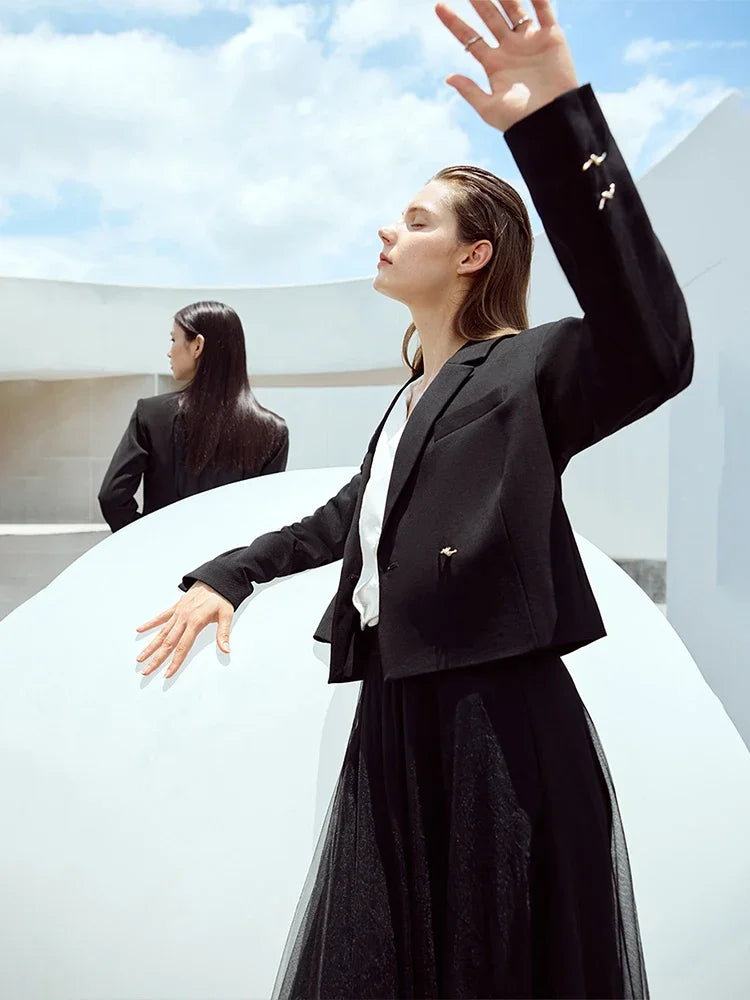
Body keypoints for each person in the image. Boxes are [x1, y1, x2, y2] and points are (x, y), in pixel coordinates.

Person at [136, 1, 693, 995]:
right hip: (397, 720)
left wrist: (560, 120)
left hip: (498, 732)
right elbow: (349, 516)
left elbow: (654, 346)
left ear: (474, 255)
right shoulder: (410, 401)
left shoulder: (526, 373)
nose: (390, 230)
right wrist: (229, 573)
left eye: (420, 219)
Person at [98, 300, 289, 532]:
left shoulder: (151, 415)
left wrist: (145, 540)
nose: (169, 352)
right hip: (233, 566)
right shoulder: (274, 431)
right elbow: (263, 516)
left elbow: (112, 498)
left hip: (162, 562)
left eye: (173, 339)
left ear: (197, 346)